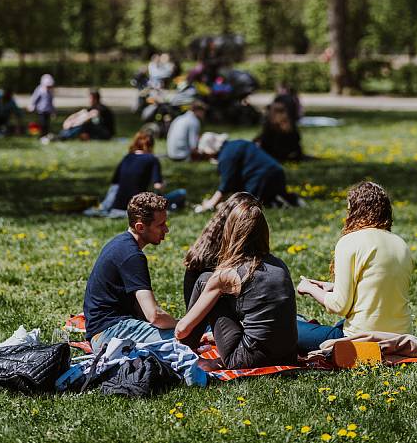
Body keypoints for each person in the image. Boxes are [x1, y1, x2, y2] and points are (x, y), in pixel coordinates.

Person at [297, 181, 417, 353]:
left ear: (354, 211)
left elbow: (339, 306)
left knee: (288, 326)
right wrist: (333, 287)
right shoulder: (400, 243)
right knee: (329, 326)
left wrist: (309, 288)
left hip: (361, 337)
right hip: (400, 333)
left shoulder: (349, 241)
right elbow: (379, 289)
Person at [83, 192, 207, 386]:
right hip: (110, 335)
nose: (166, 229)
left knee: (186, 334)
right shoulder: (132, 255)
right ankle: (201, 375)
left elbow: (141, 309)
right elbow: (154, 315)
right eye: (160, 225)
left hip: (105, 331)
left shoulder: (121, 243)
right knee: (184, 341)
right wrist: (181, 325)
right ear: (140, 227)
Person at [175, 193, 298, 368]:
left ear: (231, 232)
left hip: (246, 359)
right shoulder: (280, 265)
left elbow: (182, 330)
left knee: (204, 280)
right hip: (288, 356)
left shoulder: (227, 274)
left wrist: (178, 333)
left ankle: (186, 354)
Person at [85, 129, 186, 217]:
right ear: (151, 145)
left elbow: (115, 183)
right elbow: (158, 186)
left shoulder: (127, 157)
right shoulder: (152, 159)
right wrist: (164, 184)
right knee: (181, 193)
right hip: (138, 205)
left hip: (118, 206)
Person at [195, 132, 304, 213]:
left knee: (245, 206)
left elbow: (226, 185)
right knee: (263, 199)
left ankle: (276, 202)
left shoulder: (226, 157)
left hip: (261, 178)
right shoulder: (236, 144)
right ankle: (286, 201)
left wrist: (210, 204)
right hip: (277, 173)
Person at [29, 73, 55, 138]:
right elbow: (34, 99)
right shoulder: (40, 90)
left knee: (47, 124)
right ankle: (41, 136)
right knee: (42, 123)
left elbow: (51, 102)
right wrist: (32, 106)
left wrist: (53, 111)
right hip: (41, 110)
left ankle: (45, 135)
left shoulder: (50, 92)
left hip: (48, 111)